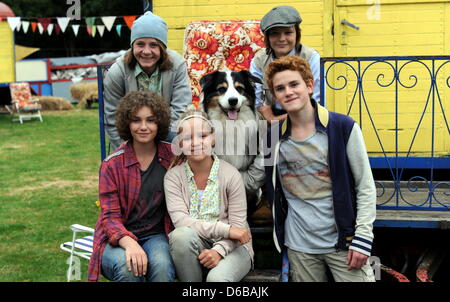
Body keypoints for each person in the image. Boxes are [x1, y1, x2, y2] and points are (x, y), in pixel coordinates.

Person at [263, 56, 376, 282]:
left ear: (310, 85)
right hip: (300, 246)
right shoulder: (272, 138)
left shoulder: (343, 128)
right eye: (280, 88)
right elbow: (270, 186)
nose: (288, 92)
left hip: (344, 243)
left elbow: (365, 185)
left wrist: (362, 237)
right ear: (275, 96)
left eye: (294, 84)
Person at [88, 91, 176, 282]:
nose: (143, 127)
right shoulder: (111, 165)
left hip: (156, 235)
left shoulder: (172, 158)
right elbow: (109, 217)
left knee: (162, 266)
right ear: (127, 123)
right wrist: (129, 244)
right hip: (117, 238)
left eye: (151, 120)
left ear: (159, 122)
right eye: (136, 120)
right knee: (128, 268)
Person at [164, 106, 254, 282]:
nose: (196, 143)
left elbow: (239, 231)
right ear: (180, 144)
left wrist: (218, 251)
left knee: (216, 279)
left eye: (203, 136)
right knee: (180, 235)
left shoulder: (231, 174)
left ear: (213, 138)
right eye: (188, 138)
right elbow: (182, 222)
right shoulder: (173, 177)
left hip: (235, 246)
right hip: (197, 244)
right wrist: (226, 230)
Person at [104, 11, 192, 150]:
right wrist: (125, 152)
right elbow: (112, 119)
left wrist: (160, 147)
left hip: (168, 134)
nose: (146, 51)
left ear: (162, 48)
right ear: (132, 45)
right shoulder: (117, 72)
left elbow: (181, 109)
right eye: (140, 44)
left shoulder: (177, 65)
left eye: (153, 45)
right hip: (131, 135)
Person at [250, 5, 321, 123]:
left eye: (288, 32)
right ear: (267, 37)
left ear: (297, 34)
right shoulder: (258, 61)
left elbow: (317, 102)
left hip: (306, 121)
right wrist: (263, 111)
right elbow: (254, 102)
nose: (282, 39)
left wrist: (281, 119)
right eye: (275, 33)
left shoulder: (311, 57)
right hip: (270, 123)